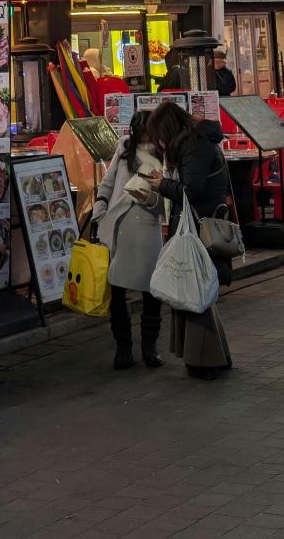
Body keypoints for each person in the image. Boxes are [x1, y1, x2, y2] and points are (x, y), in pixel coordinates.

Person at [143, 100, 234, 380]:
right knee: (197, 290)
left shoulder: (192, 145)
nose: (158, 143)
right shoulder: (196, 140)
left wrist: (162, 185)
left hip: (199, 225)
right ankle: (209, 356)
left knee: (194, 291)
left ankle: (205, 360)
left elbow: (192, 190)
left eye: (159, 135)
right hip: (201, 222)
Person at [89, 111, 164, 369]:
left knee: (151, 290)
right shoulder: (123, 148)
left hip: (146, 230)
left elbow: (166, 200)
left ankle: (149, 346)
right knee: (117, 291)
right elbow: (108, 183)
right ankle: (123, 347)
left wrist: (151, 200)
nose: (144, 137)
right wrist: (99, 210)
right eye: (141, 132)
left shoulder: (164, 157)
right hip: (116, 226)